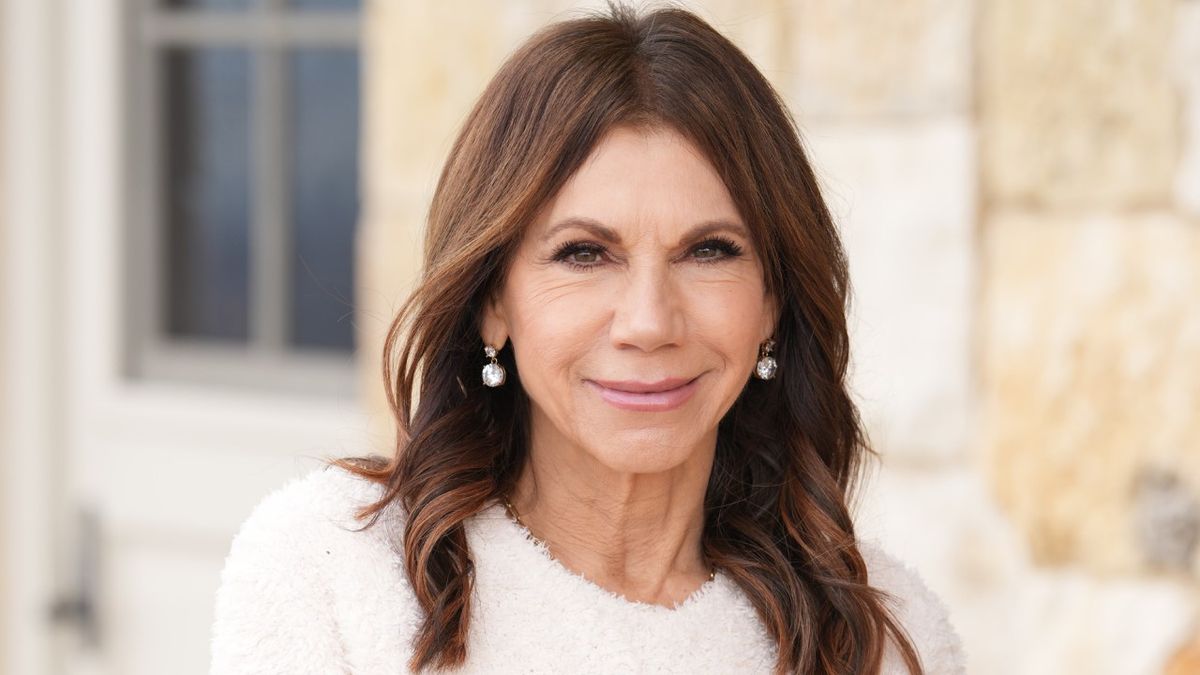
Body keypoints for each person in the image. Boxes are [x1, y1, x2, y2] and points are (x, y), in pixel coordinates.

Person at [210, 3, 967, 674]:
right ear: (492, 302)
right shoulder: (333, 570)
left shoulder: (887, 641)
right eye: (584, 253)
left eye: (709, 251)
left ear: (772, 302)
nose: (648, 322)